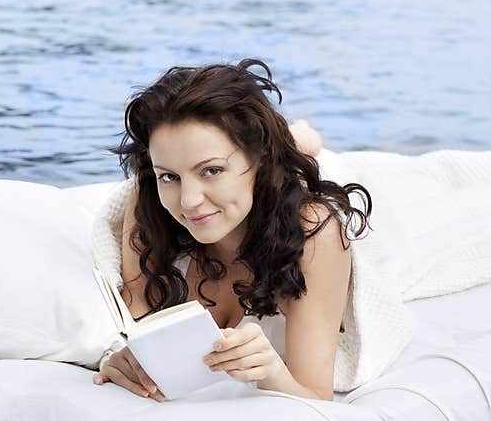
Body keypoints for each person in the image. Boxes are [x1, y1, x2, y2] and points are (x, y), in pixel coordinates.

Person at [92, 59, 372, 402]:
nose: (189, 201)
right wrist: (118, 359)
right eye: (170, 176)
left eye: (210, 170)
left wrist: (270, 369)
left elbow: (315, 395)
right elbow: (134, 320)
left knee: (306, 150)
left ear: (261, 159)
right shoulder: (150, 202)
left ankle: (299, 140)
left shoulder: (316, 233)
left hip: (286, 198)